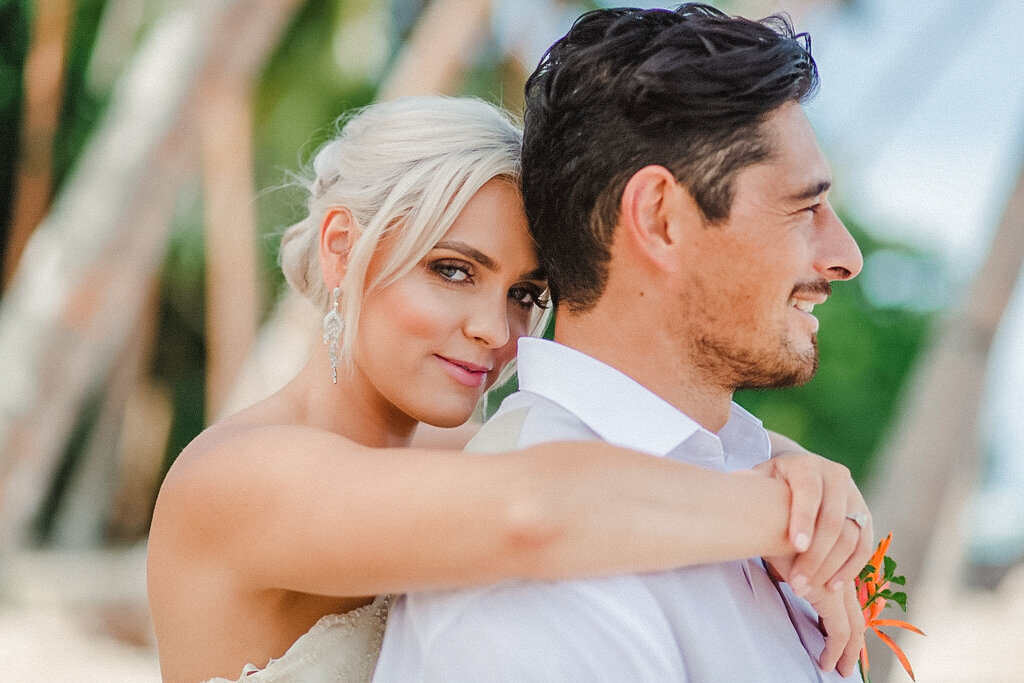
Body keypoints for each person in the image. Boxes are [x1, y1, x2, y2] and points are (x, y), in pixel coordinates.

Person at [147, 96, 870, 683]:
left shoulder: (458, 450)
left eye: (526, 292)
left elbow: (635, 445)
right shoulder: (232, 479)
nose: (497, 330)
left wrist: (808, 472)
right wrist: (786, 517)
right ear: (342, 249)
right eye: (453, 270)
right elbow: (536, 509)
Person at [372, 5, 869, 682]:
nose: (846, 257)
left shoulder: (760, 485)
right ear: (660, 219)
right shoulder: (527, 598)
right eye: (804, 207)